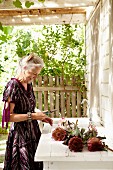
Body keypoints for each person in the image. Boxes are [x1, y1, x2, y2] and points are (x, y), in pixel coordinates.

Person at [2, 53, 53, 170]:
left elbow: (28, 109)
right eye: (33, 73)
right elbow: (7, 117)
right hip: (20, 138)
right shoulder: (13, 86)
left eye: (37, 75)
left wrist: (41, 117)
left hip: (33, 134)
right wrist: (33, 116)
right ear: (24, 68)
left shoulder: (29, 86)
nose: (34, 77)